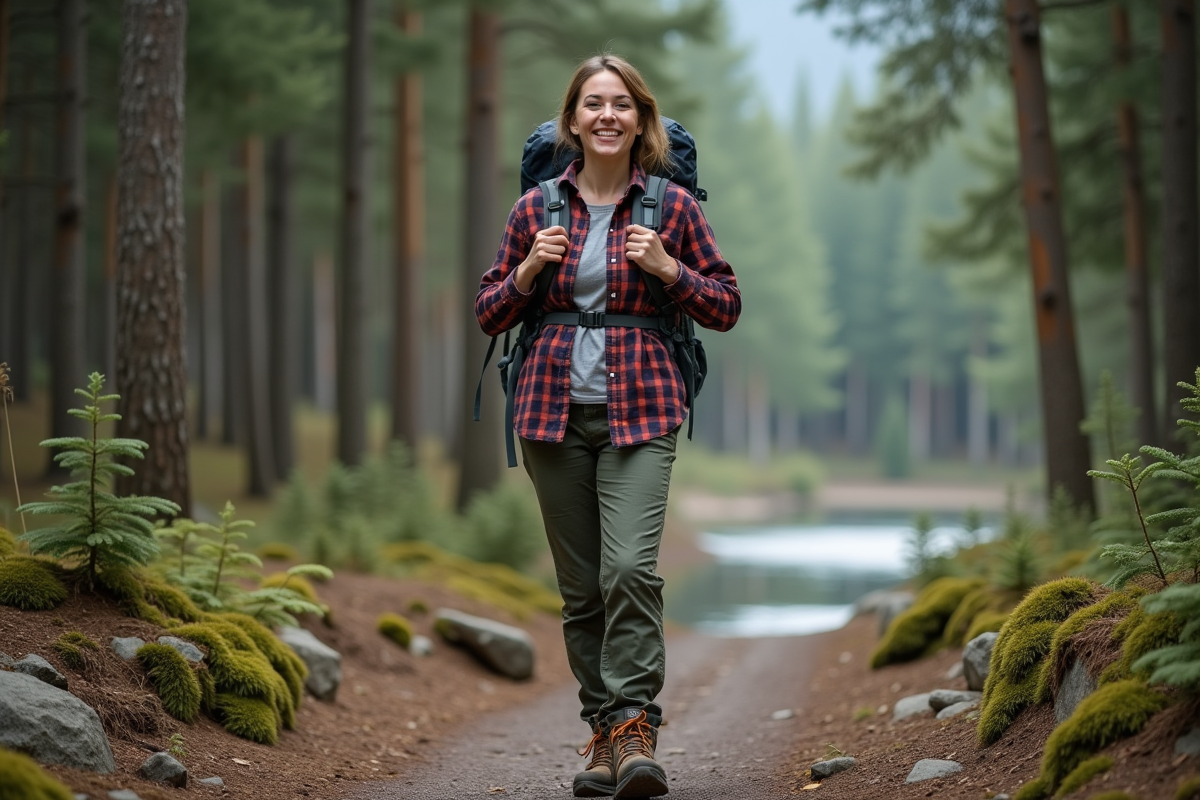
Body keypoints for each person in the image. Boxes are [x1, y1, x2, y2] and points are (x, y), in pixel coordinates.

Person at [475, 53, 741, 799]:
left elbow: (724, 306)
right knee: (582, 590)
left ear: (641, 120)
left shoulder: (671, 210)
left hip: (644, 411)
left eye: (621, 104)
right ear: (572, 120)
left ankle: (634, 729)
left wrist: (669, 270)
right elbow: (488, 312)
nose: (606, 116)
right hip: (548, 414)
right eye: (593, 103)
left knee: (630, 570)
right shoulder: (534, 211)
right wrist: (528, 272)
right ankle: (605, 733)